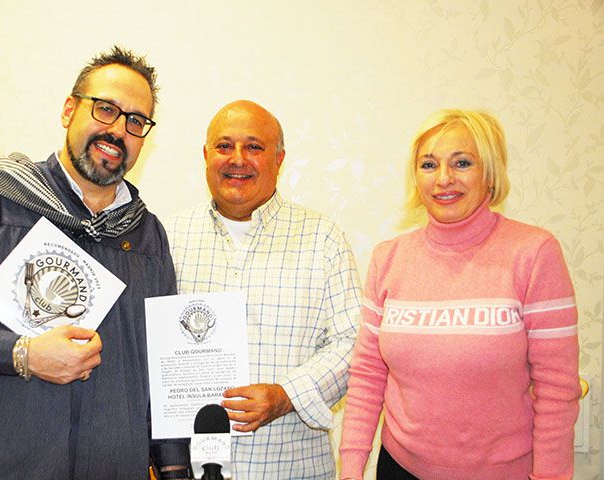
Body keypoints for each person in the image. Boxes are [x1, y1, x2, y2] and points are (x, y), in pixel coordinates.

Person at [0, 46, 190, 480]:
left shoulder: (146, 236)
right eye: (105, 109)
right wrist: (21, 354)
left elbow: (163, 365)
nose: (118, 130)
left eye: (135, 121)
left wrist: (173, 466)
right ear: (69, 110)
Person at [339, 109, 580, 480]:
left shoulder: (534, 253)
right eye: (429, 164)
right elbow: (369, 373)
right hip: (401, 468)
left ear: (490, 173)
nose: (444, 179)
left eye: (462, 162)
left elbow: (557, 389)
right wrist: (352, 467)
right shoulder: (389, 258)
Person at [165, 100, 362, 479]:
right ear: (206, 156)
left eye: (254, 147)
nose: (237, 159)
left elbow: (353, 344)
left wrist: (285, 395)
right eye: (224, 146)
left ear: (279, 158)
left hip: (293, 466)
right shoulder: (167, 238)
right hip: (187, 470)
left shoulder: (323, 238)